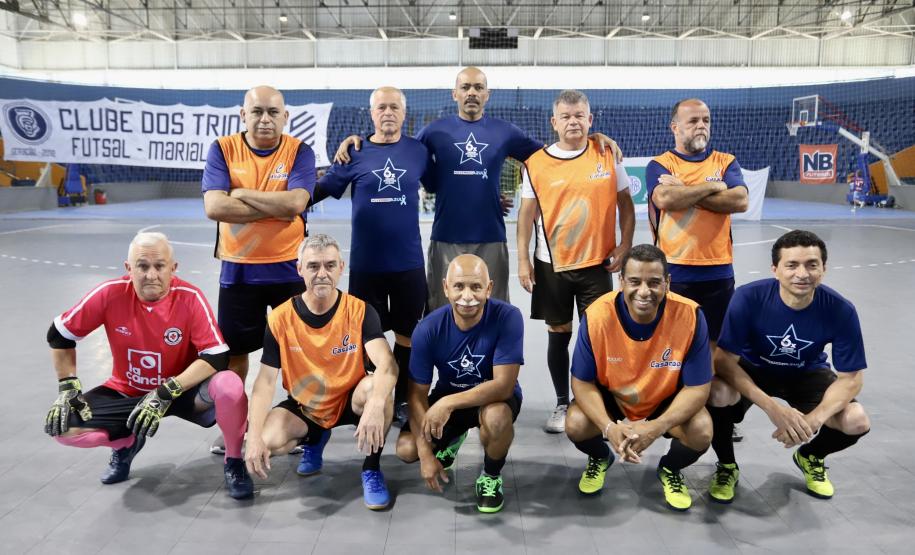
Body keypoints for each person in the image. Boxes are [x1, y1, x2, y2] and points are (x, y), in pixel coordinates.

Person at [335, 67, 621, 310]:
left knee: (493, 311)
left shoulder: (505, 131)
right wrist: (358, 141)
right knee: (441, 313)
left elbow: (549, 155)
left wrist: (588, 139)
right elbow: (397, 150)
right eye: (466, 87)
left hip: (492, 239)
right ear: (455, 94)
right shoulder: (434, 131)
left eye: (478, 87)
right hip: (445, 238)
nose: (472, 92)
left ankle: (496, 374)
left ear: (487, 94)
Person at [44, 232, 252, 499]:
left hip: (179, 392)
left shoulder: (189, 297)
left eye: (159, 266)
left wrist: (165, 392)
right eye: (142, 266)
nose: (151, 275)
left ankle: (234, 461)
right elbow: (59, 335)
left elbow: (215, 357)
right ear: (129, 269)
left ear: (173, 268)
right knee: (64, 428)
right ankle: (126, 443)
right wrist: (67, 387)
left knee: (230, 384)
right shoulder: (110, 294)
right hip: (128, 392)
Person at [706, 230, 870, 503]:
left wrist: (811, 421)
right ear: (775, 269)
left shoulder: (841, 309)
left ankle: (810, 456)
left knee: (856, 420)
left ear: (824, 269)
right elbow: (722, 361)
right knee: (717, 394)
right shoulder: (748, 298)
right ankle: (726, 466)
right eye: (792, 265)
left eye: (811, 264)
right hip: (753, 368)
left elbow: (851, 379)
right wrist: (772, 408)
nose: (802, 274)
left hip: (806, 372)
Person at [244, 234, 398, 510]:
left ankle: (371, 469)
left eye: (329, 265)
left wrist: (376, 404)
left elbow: (388, 365)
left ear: (341, 267)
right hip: (308, 405)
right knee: (268, 442)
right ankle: (315, 437)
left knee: (380, 388)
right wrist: (253, 436)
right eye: (313, 266)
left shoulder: (360, 311)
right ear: (300, 268)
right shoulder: (280, 318)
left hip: (351, 399)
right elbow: (265, 383)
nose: (322, 274)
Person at [517, 89, 635, 434]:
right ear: (554, 122)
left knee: (597, 336)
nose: (573, 121)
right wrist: (524, 261)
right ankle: (560, 403)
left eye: (579, 115)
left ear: (590, 119)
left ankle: (594, 401)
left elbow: (626, 204)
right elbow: (526, 217)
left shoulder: (606, 153)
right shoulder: (536, 163)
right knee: (559, 333)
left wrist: (625, 244)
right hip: (551, 264)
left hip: (597, 264)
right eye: (566, 116)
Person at [565, 244, 713, 511]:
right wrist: (609, 429)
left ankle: (669, 468)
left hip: (665, 399)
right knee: (575, 423)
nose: (644, 292)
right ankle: (600, 457)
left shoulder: (690, 315)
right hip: (613, 396)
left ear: (667, 283)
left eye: (654, 282)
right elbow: (582, 383)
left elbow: (698, 388)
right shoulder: (597, 315)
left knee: (702, 430)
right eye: (635, 281)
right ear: (621, 281)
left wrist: (657, 427)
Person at [313, 86, 429, 422]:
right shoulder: (355, 153)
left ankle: (404, 400)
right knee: (368, 338)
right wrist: (283, 204)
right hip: (367, 267)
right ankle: (371, 399)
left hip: (408, 265)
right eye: (382, 107)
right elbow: (318, 191)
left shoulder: (418, 151)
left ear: (404, 113)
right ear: (372, 113)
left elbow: (446, 183)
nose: (388, 112)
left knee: (408, 335)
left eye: (394, 107)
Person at [646, 98, 749, 443]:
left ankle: (719, 416)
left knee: (717, 350)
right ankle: (674, 413)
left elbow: (740, 201)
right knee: (671, 348)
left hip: (719, 271)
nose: (700, 126)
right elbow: (665, 200)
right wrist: (712, 186)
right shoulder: (660, 163)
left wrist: (685, 191)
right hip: (674, 271)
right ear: (675, 126)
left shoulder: (726, 161)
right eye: (692, 121)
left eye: (705, 119)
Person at [394, 255, 524, 513]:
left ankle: (490, 475)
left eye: (476, 287)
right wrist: (426, 453)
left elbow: (503, 386)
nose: (467, 296)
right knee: (407, 449)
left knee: (496, 419)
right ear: (445, 287)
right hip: (449, 397)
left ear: (489, 288)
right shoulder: (428, 328)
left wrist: (447, 403)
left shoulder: (508, 317)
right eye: (459, 286)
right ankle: (453, 438)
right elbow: (417, 394)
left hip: (491, 399)